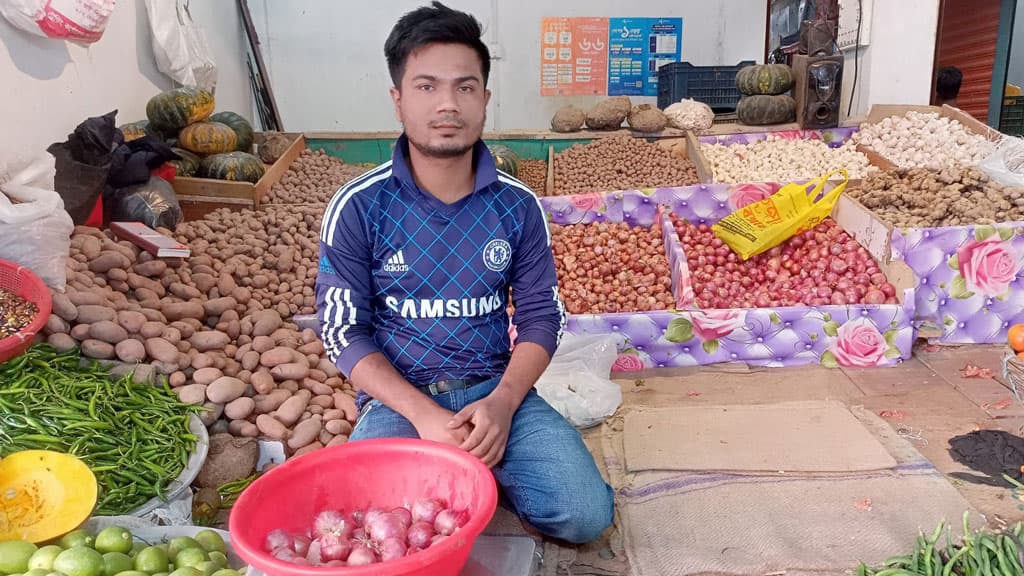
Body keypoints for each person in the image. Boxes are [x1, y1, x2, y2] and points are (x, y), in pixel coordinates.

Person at [315, 1, 615, 545]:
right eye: (426, 86)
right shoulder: (359, 206)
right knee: (372, 528)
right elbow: (343, 331)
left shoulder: (517, 206)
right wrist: (426, 417)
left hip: (497, 394)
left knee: (584, 515)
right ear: (398, 99)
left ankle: (489, 472)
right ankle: (473, 479)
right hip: (402, 403)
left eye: (465, 87)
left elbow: (543, 317)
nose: (447, 104)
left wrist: (502, 404)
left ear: (485, 99)